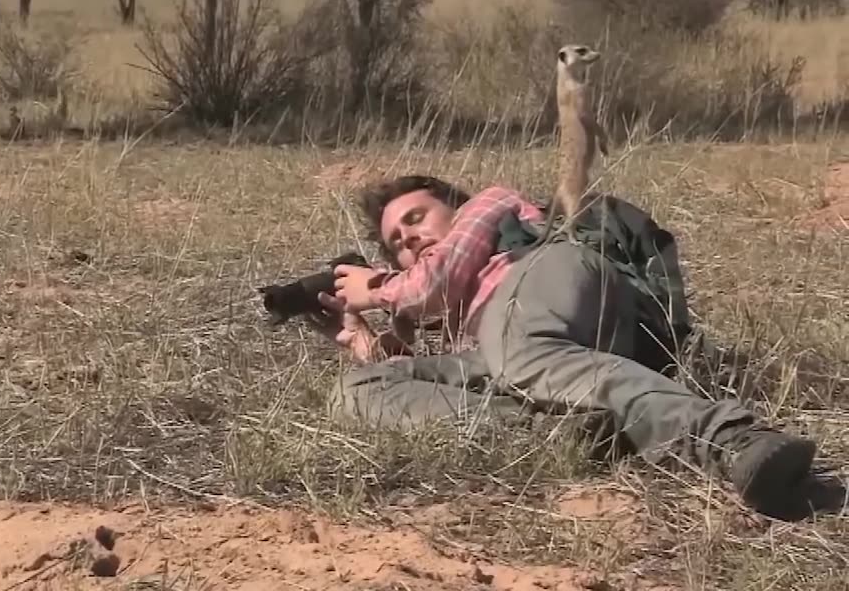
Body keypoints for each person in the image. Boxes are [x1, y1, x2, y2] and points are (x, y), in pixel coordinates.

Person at [307, 174, 818, 518]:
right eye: (396, 241)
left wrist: (375, 287)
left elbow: (427, 284)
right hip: (509, 349)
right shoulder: (448, 312)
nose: (409, 240)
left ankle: (733, 437)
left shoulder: (489, 204)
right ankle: (561, 433)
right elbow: (439, 375)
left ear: (455, 207)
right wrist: (363, 342)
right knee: (357, 390)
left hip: (554, 278)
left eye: (416, 219)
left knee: (520, 350)